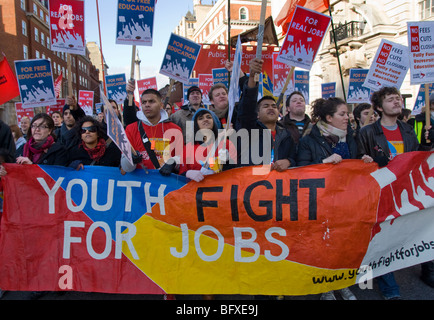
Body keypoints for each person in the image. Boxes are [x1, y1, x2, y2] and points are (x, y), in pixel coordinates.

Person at [357, 86, 423, 299]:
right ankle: (390, 288)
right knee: (382, 238)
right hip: (382, 192)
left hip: (407, 191)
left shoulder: (408, 129)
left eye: (398, 98)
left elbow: (418, 157)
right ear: (378, 107)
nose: (397, 102)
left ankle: (428, 273)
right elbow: (358, 162)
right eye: (390, 100)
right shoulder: (367, 132)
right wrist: (365, 160)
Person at [236, 58, 296, 171]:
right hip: (253, 184)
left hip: (278, 186)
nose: (271, 108)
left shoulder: (287, 135)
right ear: (257, 114)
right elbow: (247, 107)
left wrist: (289, 162)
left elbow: (296, 158)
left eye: (274, 106)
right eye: (265, 106)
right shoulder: (250, 130)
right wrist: (252, 77)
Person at [120, 88, 183, 173]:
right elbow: (125, 168)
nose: (147, 105)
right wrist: (131, 160)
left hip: (166, 183)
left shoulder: (175, 129)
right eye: (144, 102)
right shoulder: (131, 129)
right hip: (141, 183)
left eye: (151, 101)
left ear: (161, 105)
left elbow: (182, 159)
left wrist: (173, 162)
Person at [166, 108, 237, 181]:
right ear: (196, 125)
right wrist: (188, 173)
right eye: (200, 118)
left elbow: (236, 172)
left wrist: (228, 163)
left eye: (209, 117)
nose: (205, 119)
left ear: (214, 122)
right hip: (196, 190)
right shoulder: (188, 148)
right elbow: (181, 175)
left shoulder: (227, 144)